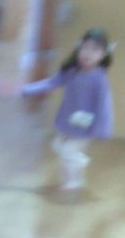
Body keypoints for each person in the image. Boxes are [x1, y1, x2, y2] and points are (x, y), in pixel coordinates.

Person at [22, 27, 115, 190]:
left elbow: (104, 105)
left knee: (69, 152)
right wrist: (27, 90)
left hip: (85, 125)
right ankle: (78, 175)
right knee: (58, 146)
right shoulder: (72, 71)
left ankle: (73, 179)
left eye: (95, 50)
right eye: (85, 48)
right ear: (79, 48)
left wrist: (102, 128)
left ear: (103, 55)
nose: (88, 53)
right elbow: (51, 83)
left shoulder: (100, 79)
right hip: (67, 120)